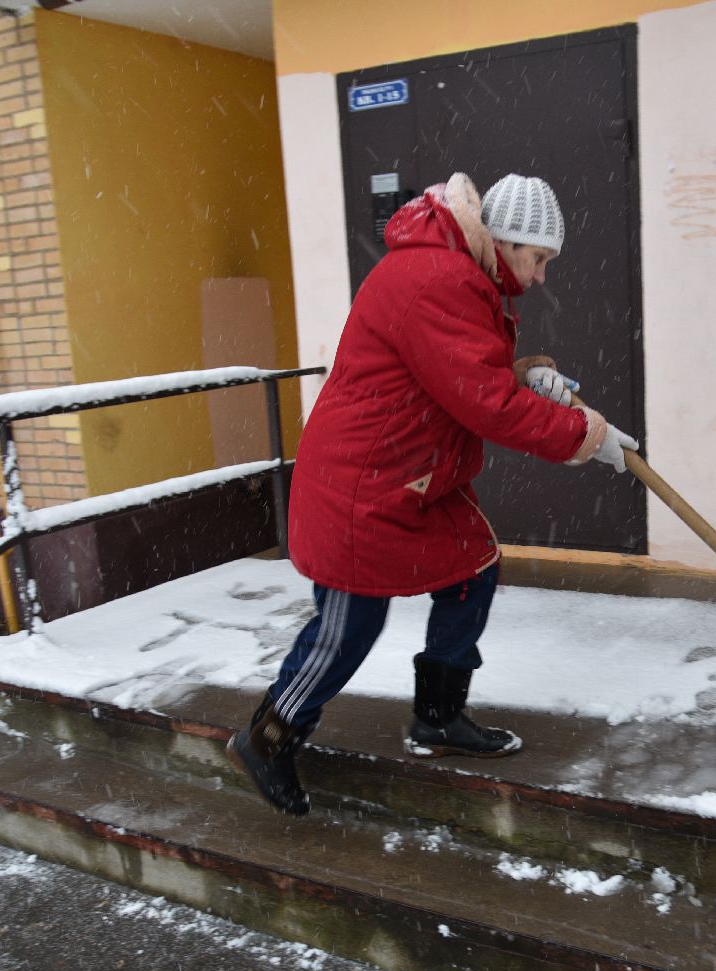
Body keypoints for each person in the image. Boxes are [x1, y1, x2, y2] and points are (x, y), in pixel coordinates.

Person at [228, 171, 637, 816]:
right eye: (539, 258)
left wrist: (528, 378)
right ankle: (267, 738)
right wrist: (588, 434)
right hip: (361, 484)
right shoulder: (439, 279)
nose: (541, 276)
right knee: (349, 626)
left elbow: (461, 373)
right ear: (505, 241)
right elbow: (486, 403)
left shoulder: (459, 273)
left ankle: (438, 719)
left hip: (411, 475)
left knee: (472, 568)